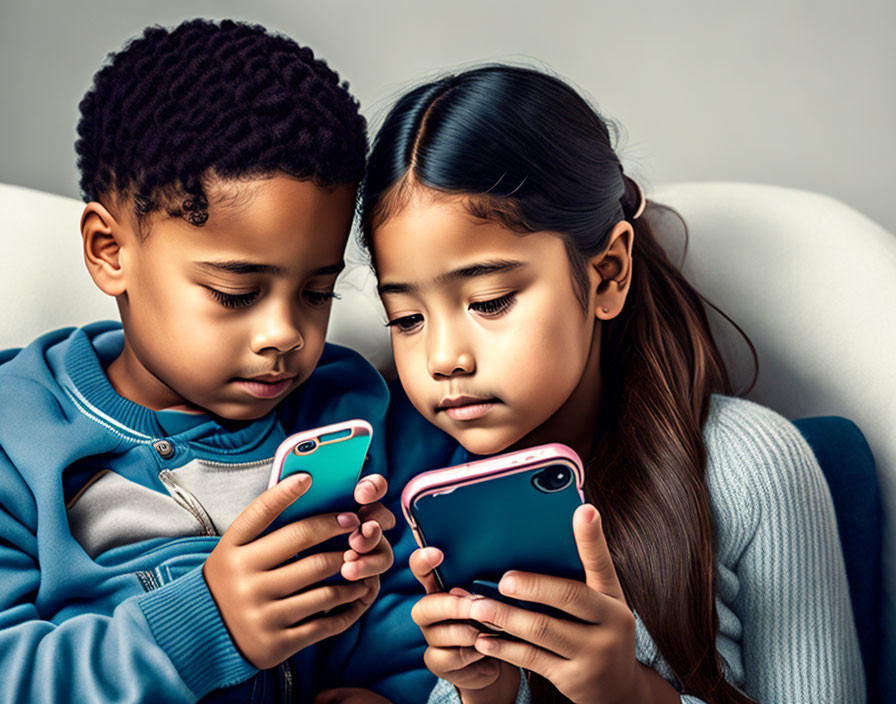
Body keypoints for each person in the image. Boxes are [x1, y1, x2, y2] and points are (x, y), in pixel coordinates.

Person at [351, 65, 866, 703]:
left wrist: (630, 692)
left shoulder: (749, 466)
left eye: (488, 301)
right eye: (406, 317)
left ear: (609, 274)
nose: (444, 358)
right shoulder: (441, 502)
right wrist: (486, 692)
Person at [0, 19, 396, 703]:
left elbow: (413, 610)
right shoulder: (18, 433)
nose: (285, 334)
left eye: (316, 292)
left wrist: (390, 689)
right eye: (236, 293)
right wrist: (206, 625)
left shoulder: (345, 408)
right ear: (108, 250)